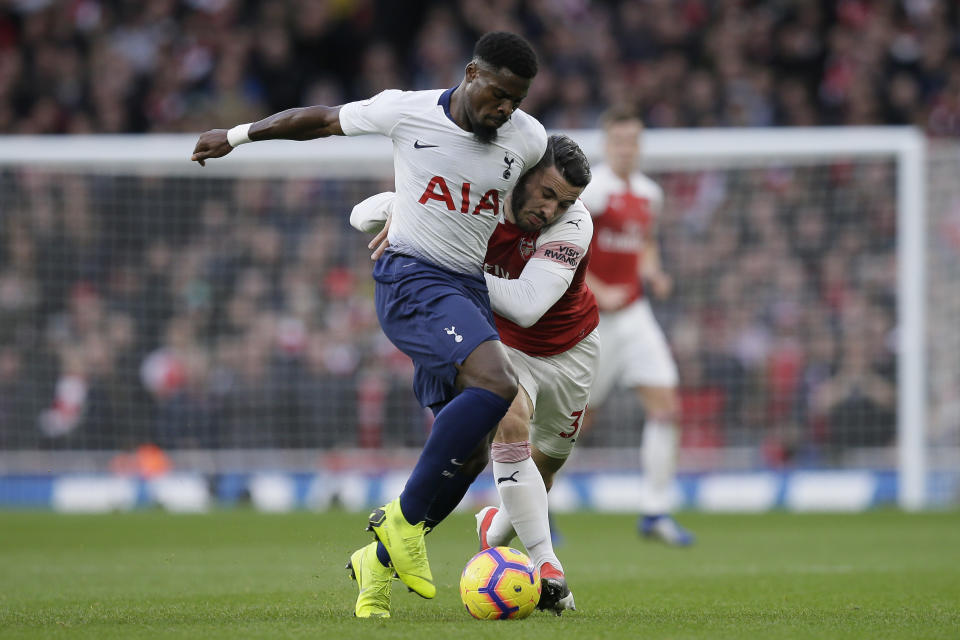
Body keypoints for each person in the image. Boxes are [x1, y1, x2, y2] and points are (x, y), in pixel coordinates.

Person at [192, 31, 548, 615]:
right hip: (413, 278)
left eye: (517, 98)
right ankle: (403, 519)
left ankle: (375, 567)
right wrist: (236, 136)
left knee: (472, 453)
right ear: (471, 75)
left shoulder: (527, 139)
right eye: (500, 94)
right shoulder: (407, 111)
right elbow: (319, 119)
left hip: (466, 291)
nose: (506, 108)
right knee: (498, 384)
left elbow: (542, 198)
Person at [354, 134, 597, 616]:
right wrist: (404, 216)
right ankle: (547, 567)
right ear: (523, 173)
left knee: (535, 468)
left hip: (569, 350)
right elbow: (361, 213)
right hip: (492, 343)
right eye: (546, 193)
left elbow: (528, 306)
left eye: (563, 200)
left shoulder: (575, 223)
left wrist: (445, 257)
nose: (552, 209)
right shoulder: (475, 197)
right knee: (507, 426)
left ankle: (482, 532)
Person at [578, 107, 694, 546]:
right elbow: (562, 247)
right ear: (607, 145)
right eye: (619, 141)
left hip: (635, 314)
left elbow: (644, 241)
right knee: (576, 421)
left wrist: (654, 271)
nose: (627, 148)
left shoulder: (650, 194)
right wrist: (597, 287)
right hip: (593, 320)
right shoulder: (593, 193)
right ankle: (537, 507)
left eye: (633, 140)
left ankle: (655, 511)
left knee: (667, 405)